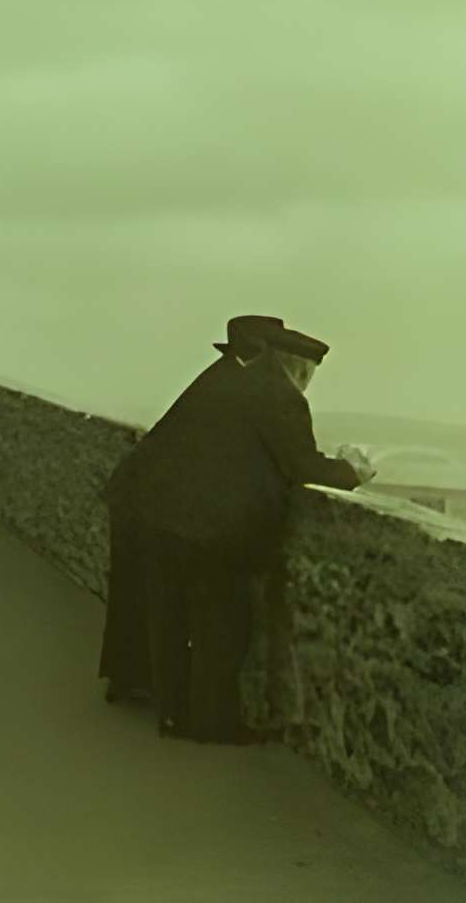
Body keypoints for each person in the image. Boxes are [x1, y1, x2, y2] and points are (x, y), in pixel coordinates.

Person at [100, 313, 373, 744]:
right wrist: (353, 469)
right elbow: (301, 465)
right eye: (308, 375)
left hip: (151, 507)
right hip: (206, 525)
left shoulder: (221, 377)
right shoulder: (277, 393)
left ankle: (170, 711)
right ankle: (212, 723)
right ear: (296, 367)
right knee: (220, 621)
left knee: (165, 613)